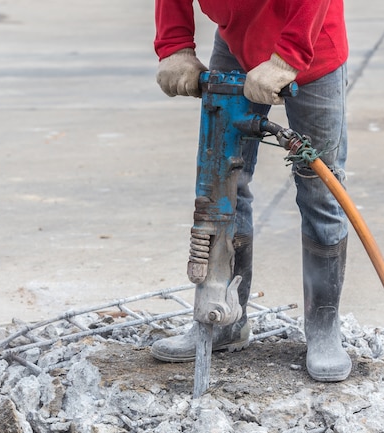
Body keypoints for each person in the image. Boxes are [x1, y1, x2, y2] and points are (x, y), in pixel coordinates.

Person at [150, 0, 351, 382]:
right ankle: (225, 318)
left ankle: (324, 329)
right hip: (237, 44)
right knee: (222, 180)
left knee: (320, 190)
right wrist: (175, 45)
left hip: (311, 47)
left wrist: (286, 59)